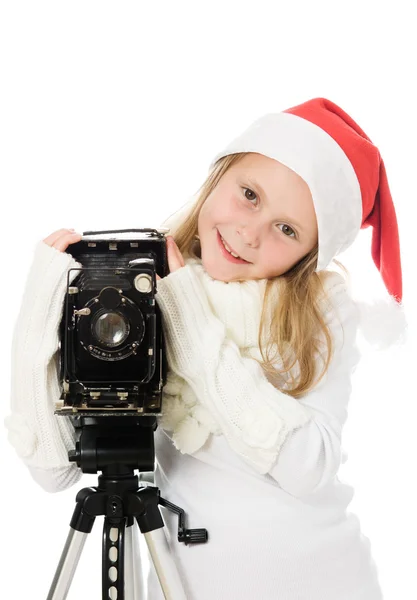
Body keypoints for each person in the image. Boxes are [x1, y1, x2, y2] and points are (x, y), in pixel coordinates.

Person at [5, 97, 406, 599]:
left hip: (322, 582)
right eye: (249, 195)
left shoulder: (320, 309)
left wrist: (192, 327)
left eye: (287, 230)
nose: (248, 232)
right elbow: (55, 470)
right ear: (220, 172)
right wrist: (35, 324)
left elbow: (309, 468)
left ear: (310, 254)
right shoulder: (144, 286)